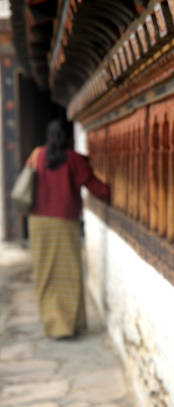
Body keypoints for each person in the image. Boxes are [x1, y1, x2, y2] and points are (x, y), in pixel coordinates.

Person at [25, 119, 110, 339]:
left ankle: (53, 325)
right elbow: (91, 183)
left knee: (46, 274)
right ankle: (68, 325)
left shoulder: (37, 155)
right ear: (69, 137)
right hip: (64, 222)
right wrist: (112, 194)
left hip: (38, 223)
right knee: (69, 273)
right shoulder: (72, 159)